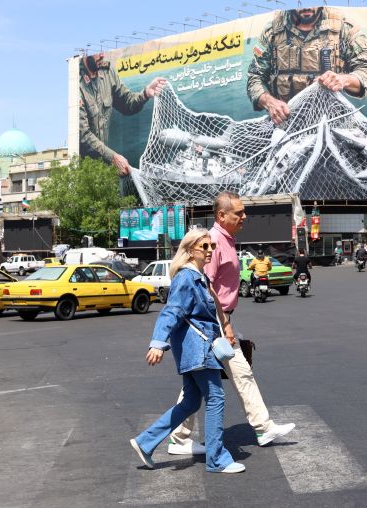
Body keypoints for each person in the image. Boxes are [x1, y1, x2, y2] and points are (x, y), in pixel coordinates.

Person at [168, 191, 295, 455]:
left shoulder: (226, 240)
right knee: (223, 374)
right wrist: (223, 325)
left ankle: (182, 437)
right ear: (221, 215)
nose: (244, 217)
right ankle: (260, 427)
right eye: (239, 213)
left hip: (220, 317)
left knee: (207, 378)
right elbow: (205, 285)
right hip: (213, 318)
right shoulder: (212, 241)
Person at [130, 227, 246, 474]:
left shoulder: (199, 277)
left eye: (212, 247)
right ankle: (217, 460)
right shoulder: (186, 278)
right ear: (190, 250)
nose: (209, 251)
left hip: (195, 350)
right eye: (204, 247)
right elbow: (172, 311)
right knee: (216, 399)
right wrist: (158, 343)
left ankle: (145, 442)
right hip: (199, 350)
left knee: (191, 402)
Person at [246, 6, 367, 125]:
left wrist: (344, 79)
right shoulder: (272, 31)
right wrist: (269, 102)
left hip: (333, 123)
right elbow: (255, 77)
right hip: (285, 123)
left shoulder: (344, 28)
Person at [79, 52, 167, 176]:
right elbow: (83, 135)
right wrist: (113, 157)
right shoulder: (76, 83)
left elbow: (127, 104)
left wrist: (145, 94)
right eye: (98, 52)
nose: (102, 55)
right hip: (82, 170)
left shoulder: (108, 73)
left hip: (103, 168)